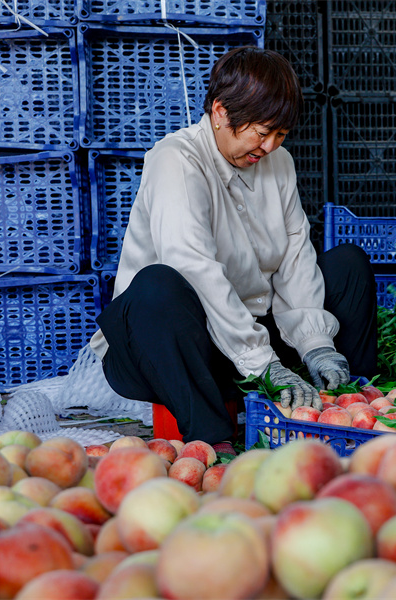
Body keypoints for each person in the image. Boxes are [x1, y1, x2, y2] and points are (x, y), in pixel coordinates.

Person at [89, 47, 378, 452]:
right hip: (174, 347)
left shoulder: (280, 164)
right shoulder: (176, 160)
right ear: (221, 112)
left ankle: (349, 407)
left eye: (281, 134)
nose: (270, 146)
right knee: (157, 285)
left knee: (348, 264)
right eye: (262, 132)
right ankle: (211, 441)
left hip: (251, 333)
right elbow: (193, 267)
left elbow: (296, 259)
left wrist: (317, 346)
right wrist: (266, 365)